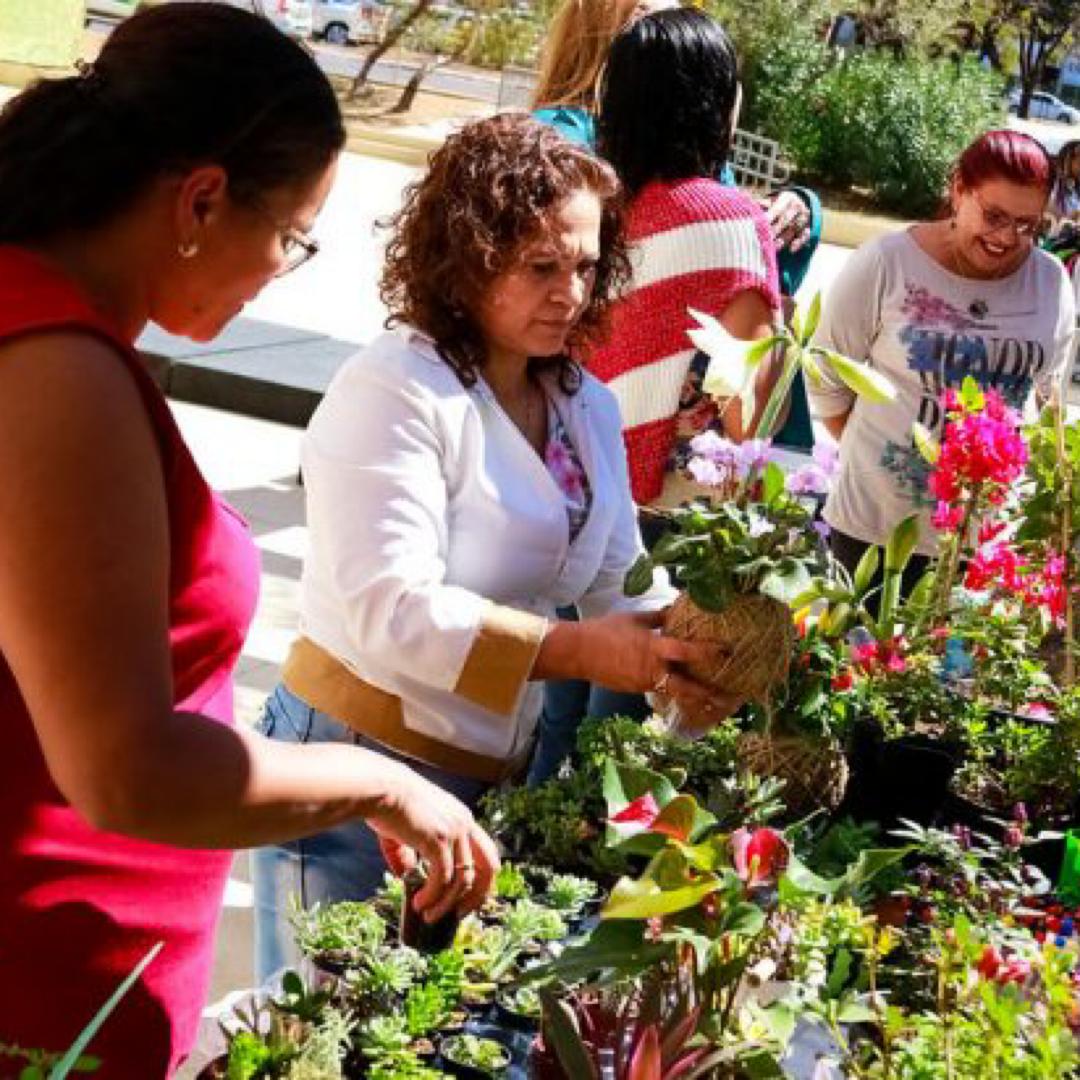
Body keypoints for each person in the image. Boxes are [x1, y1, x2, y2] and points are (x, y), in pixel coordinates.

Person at [0, 7, 499, 1076]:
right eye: (291, 235)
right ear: (202, 198)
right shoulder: (54, 367)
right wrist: (379, 783)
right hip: (40, 987)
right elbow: (124, 769)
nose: (283, 268)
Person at [251, 113, 732, 980]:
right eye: (541, 266)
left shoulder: (582, 401)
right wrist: (585, 651)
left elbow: (620, 574)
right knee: (316, 1039)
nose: (570, 292)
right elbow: (391, 610)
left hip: (481, 781)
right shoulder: (396, 389)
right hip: (353, 774)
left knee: (415, 1037)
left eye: (586, 266)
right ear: (466, 259)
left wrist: (692, 644)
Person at [527, 8, 785, 784]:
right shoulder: (734, 222)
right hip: (670, 520)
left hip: (564, 492)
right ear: (717, 101)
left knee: (556, 718)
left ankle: (520, 883)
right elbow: (741, 404)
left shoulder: (589, 208)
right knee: (624, 737)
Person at [811, 129, 1076, 583]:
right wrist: (884, 460)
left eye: (1028, 225)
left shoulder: (1050, 283)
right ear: (958, 189)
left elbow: (1045, 404)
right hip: (875, 531)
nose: (1007, 238)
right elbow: (826, 375)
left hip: (984, 545)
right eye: (994, 216)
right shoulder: (887, 263)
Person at [530, 0, 822, 306]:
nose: (672, 32)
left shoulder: (670, 140)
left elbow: (727, 228)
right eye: (646, 16)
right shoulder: (557, 136)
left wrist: (797, 207)